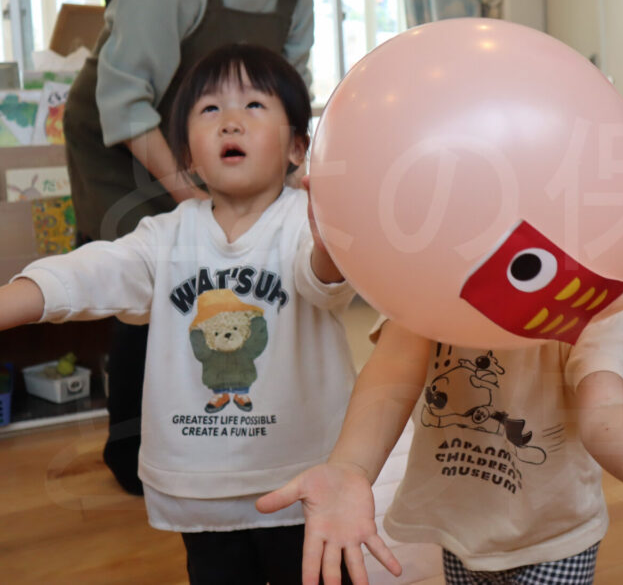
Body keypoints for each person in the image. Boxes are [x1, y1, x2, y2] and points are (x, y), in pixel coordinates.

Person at [1, 44, 358, 585]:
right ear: (188, 156)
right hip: (200, 490)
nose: (230, 121)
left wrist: (334, 237)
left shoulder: (303, 224)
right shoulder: (165, 236)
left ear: (296, 147)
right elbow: (90, 272)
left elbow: (322, 281)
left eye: (255, 105)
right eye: (210, 109)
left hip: (306, 482)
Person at [62, 0, 334, 495]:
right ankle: (132, 451)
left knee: (229, 283)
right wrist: (192, 196)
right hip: (125, 142)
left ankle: (226, 429)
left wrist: (287, 180)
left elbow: (288, 94)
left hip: (214, 141)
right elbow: (126, 100)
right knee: (153, 284)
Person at [256, 313, 623, 585]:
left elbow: (605, 404)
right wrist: (350, 466)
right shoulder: (427, 282)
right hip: (462, 525)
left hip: (554, 533)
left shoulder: (586, 303)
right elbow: (391, 372)